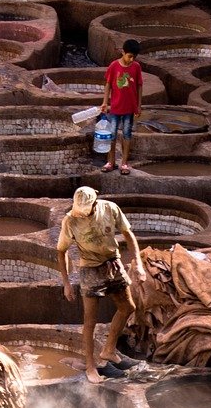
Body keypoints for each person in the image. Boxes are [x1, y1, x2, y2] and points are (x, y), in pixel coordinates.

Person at [56, 186, 146, 383]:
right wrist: (67, 283)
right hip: (90, 269)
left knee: (128, 307)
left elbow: (128, 234)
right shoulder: (70, 220)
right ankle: (90, 367)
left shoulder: (110, 209)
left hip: (112, 262)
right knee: (90, 321)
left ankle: (108, 350)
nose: (82, 215)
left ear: (94, 204)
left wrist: (138, 263)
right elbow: (61, 252)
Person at [99, 38, 143, 175]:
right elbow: (108, 85)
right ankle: (110, 162)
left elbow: (139, 86)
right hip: (115, 108)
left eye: (133, 57)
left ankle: (124, 163)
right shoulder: (113, 66)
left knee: (127, 134)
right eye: (129, 56)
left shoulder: (136, 67)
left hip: (129, 108)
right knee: (111, 135)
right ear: (123, 52)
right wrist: (105, 102)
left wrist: (139, 106)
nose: (131, 59)